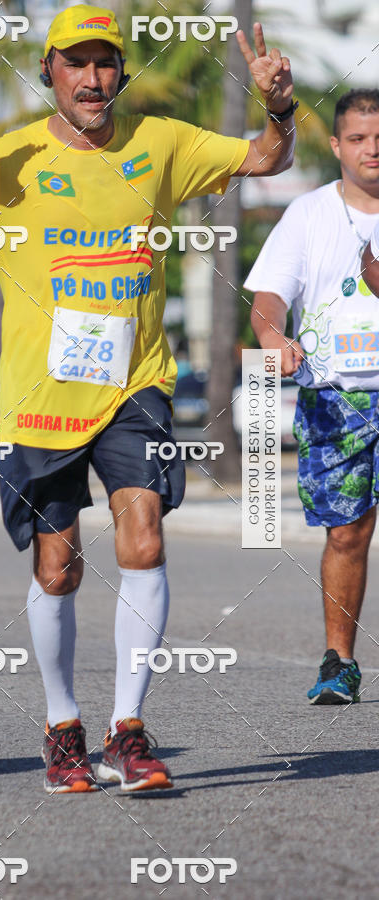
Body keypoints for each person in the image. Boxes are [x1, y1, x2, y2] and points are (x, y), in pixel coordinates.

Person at [0, 5, 296, 792]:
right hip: (40, 399)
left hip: (134, 386)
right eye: (77, 63)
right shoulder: (10, 159)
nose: (94, 79)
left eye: (106, 63)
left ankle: (127, 731)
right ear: (50, 74)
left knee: (144, 538)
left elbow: (267, 159)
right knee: (59, 567)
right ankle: (63, 726)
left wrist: (279, 105)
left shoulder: (162, 142)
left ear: (119, 72)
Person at [246, 89, 379, 705]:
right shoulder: (308, 213)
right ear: (336, 146)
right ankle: (339, 661)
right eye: (357, 138)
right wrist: (272, 336)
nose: (371, 149)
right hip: (335, 395)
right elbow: (270, 296)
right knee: (347, 533)